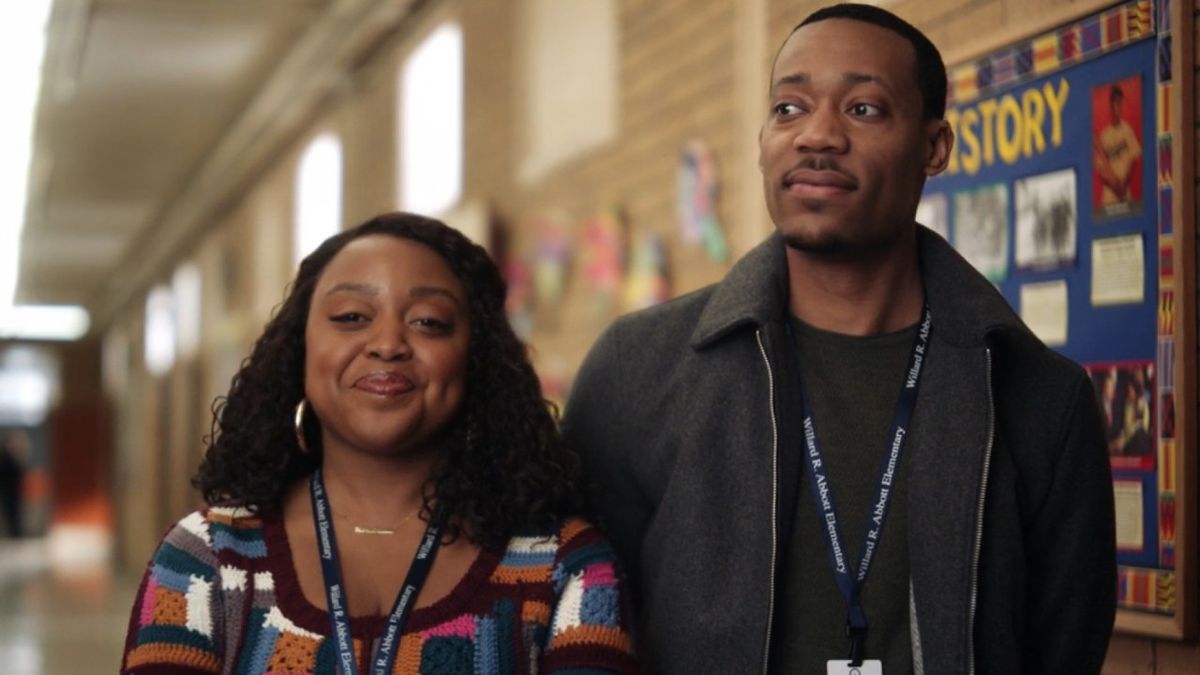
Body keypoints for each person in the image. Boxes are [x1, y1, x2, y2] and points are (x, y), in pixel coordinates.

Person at [563, 4, 1115, 674]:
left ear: (934, 147)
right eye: (789, 108)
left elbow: (1063, 648)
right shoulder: (636, 370)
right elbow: (581, 631)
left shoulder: (1037, 397)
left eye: (863, 109)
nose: (816, 135)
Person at [122, 213, 637, 674]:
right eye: (351, 317)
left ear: (475, 360)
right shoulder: (208, 558)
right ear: (300, 349)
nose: (388, 344)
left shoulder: (561, 565)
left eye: (429, 323)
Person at [1094, 82, 1142, 213]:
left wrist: (1123, 186)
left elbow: (1133, 161)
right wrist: (1115, 187)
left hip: (1125, 195)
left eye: (1119, 103)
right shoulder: (1104, 135)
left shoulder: (1127, 130)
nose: (1117, 107)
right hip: (1109, 197)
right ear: (1110, 104)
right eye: (1114, 103)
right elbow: (1101, 172)